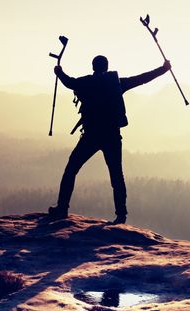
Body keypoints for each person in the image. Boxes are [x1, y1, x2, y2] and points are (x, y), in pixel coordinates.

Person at [48, 55, 171, 224]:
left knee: (72, 168)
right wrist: (163, 69)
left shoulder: (86, 83)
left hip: (91, 135)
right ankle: (121, 215)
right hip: (112, 135)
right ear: (107, 67)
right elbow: (142, 79)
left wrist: (58, 71)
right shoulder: (116, 83)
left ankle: (62, 208)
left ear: (93, 66)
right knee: (116, 174)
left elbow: (69, 82)